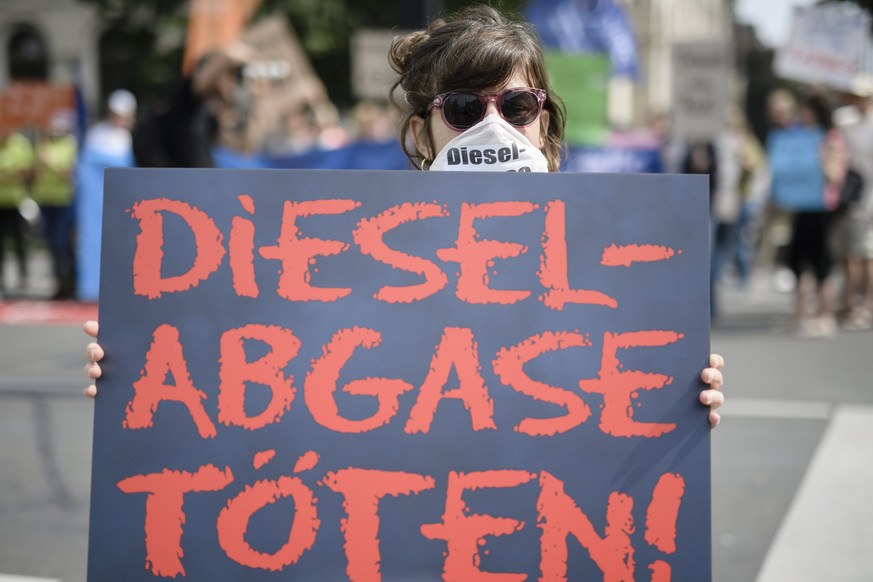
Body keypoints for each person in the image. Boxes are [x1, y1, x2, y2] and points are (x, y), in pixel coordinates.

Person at [84, 5, 725, 426]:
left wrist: (681, 399)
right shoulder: (349, 262)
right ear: (422, 135)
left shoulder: (616, 264)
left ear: (548, 130)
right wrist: (140, 373)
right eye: (466, 111)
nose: (495, 127)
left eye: (519, 106)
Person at [833, 86, 873, 331]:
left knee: (865, 255)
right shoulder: (845, 121)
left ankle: (863, 305)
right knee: (852, 254)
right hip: (852, 198)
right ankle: (852, 302)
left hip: (867, 200)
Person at [32, 113, 78, 300]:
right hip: (45, 200)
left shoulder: (71, 145)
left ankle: (71, 282)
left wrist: (49, 163)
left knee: (63, 243)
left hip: (64, 202)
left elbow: (69, 173)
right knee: (51, 243)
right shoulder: (43, 145)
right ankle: (59, 282)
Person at [0, 127, 34, 297]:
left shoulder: (20, 143)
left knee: (20, 240)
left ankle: (23, 275)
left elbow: (24, 172)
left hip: (15, 201)